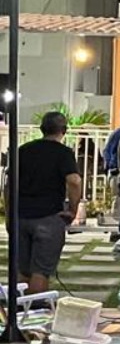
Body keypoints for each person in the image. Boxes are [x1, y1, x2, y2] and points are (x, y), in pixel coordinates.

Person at [14, 111, 82, 294]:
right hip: (48, 216)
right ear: (64, 130)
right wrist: (73, 209)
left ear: (42, 128)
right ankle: (37, 307)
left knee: (23, 270)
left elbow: (8, 184)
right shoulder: (64, 153)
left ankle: (19, 307)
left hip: (20, 215)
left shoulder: (23, 150)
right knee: (41, 271)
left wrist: (11, 213)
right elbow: (74, 181)